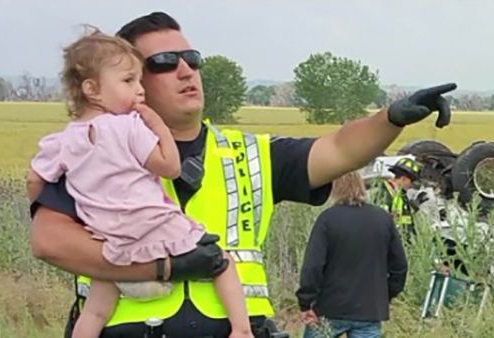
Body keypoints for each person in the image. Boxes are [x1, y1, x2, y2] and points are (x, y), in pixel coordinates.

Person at [29, 11, 456, 338]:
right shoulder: (90, 150)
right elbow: (49, 241)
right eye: (163, 62)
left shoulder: (248, 154)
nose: (186, 70)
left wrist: (393, 118)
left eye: (191, 59)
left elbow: (340, 148)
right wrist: (163, 268)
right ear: (127, 81)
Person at [26, 29, 253, 338]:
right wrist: (156, 124)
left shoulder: (62, 141)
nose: (140, 90)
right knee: (221, 260)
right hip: (155, 231)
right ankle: (242, 330)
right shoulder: (129, 127)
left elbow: (35, 180)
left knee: (95, 309)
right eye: (128, 81)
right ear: (92, 89)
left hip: (111, 246)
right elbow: (170, 167)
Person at [296, 171, 407, 338]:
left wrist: (306, 302)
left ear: (335, 189)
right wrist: (385, 294)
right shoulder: (382, 219)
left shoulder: (328, 219)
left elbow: (313, 266)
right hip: (369, 309)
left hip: (329, 308)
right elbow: (400, 266)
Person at [372, 157, 424, 235]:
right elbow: (380, 224)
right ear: (403, 179)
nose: (412, 186)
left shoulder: (401, 195)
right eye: (412, 182)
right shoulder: (384, 194)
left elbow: (406, 223)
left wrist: (413, 210)